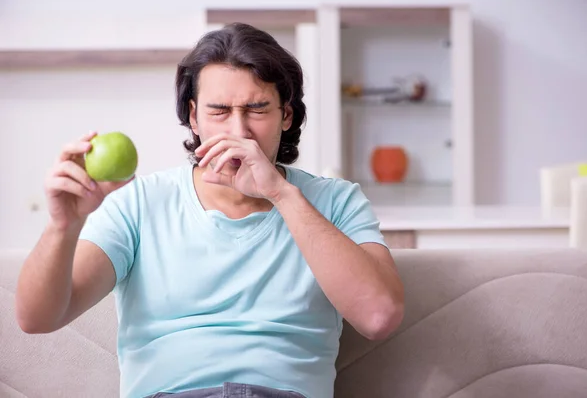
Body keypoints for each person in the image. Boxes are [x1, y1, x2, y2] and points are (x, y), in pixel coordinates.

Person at [15, 23, 404, 398]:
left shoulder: (336, 202)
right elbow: (37, 319)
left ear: (286, 115)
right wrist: (63, 226)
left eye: (256, 109)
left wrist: (281, 194)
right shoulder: (138, 203)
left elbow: (379, 317)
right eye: (219, 111)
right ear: (194, 116)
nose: (239, 130)